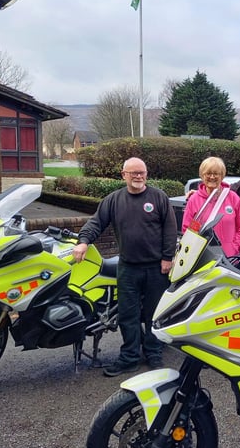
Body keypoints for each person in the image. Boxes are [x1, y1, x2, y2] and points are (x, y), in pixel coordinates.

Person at [72, 157, 178, 376]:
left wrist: (167, 258)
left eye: (142, 172)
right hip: (128, 267)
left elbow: (170, 230)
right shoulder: (113, 200)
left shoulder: (159, 197)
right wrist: (83, 241)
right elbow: (96, 223)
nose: (138, 176)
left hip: (156, 268)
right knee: (127, 315)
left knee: (154, 315)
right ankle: (129, 356)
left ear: (146, 174)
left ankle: (153, 353)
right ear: (124, 175)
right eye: (133, 173)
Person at [181, 156, 240, 256]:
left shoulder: (233, 198)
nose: (212, 177)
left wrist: (234, 247)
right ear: (202, 176)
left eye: (216, 174)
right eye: (208, 173)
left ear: (222, 175)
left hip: (230, 257)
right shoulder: (194, 200)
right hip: (202, 257)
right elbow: (188, 230)